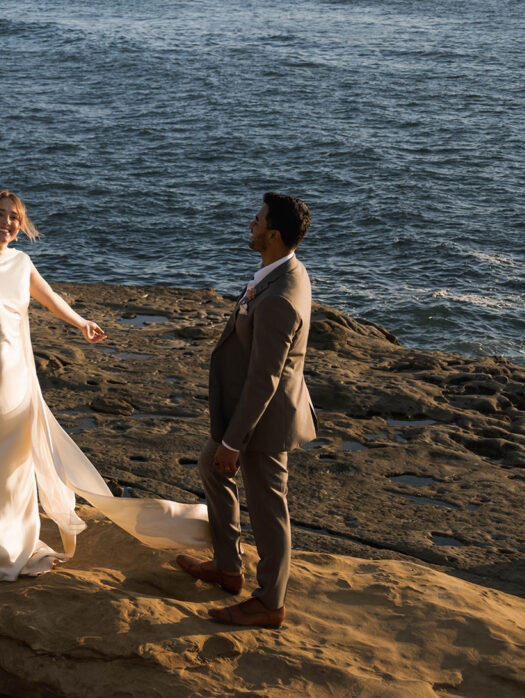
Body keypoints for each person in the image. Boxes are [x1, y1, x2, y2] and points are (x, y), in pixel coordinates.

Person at [0, 190, 208, 589]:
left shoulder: (21, 263)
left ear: (21, 226)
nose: (7, 223)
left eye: (14, 217)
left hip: (18, 380)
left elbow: (49, 298)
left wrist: (81, 322)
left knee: (15, 466)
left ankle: (13, 546)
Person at [176, 192, 318, 628]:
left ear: (273, 234)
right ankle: (228, 567)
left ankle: (270, 603)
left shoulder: (278, 299)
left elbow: (265, 380)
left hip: (265, 422)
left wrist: (234, 442)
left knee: (269, 508)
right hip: (249, 411)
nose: (250, 225)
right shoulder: (281, 272)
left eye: (256, 221)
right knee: (210, 466)